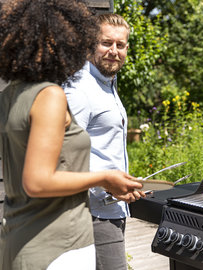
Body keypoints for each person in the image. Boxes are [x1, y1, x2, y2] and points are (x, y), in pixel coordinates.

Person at [0, 1, 144, 269]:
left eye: (121, 45)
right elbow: (39, 179)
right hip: (59, 241)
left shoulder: (11, 95)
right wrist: (104, 178)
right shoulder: (54, 95)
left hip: (20, 236)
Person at [63, 13, 143, 270]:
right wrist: (106, 186)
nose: (114, 51)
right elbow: (63, 157)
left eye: (120, 45)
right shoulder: (80, 90)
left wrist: (120, 183)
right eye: (106, 43)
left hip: (110, 208)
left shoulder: (108, 85)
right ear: (90, 44)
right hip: (92, 213)